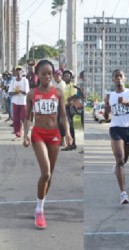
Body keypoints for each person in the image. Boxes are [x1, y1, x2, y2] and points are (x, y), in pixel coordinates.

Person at [23, 59, 72, 229]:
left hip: (54, 135)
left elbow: (64, 116)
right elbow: (28, 117)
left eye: (49, 74)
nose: (47, 77)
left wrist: (68, 134)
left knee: (50, 175)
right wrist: (26, 134)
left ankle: (40, 203)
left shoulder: (58, 92)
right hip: (38, 134)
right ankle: (39, 210)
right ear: (37, 75)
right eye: (43, 74)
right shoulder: (32, 94)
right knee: (45, 172)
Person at [104, 69, 129, 205]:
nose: (118, 78)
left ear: (124, 78)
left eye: (120, 76)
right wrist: (107, 111)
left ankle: (117, 167)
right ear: (113, 79)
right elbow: (106, 115)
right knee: (120, 160)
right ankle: (123, 193)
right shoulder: (109, 96)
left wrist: (128, 104)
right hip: (115, 129)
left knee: (123, 160)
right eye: (116, 76)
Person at [8, 65, 30, 141]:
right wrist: (15, 92)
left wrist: (20, 91)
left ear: (21, 71)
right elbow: (10, 92)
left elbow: (26, 92)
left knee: (23, 118)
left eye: (19, 70)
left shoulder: (25, 80)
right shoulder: (13, 81)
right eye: (17, 70)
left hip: (23, 102)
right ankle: (18, 134)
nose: (18, 72)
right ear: (15, 72)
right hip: (15, 102)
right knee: (16, 119)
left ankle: (26, 134)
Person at [61, 69, 77, 150]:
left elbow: (73, 98)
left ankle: (72, 144)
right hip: (63, 108)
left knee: (70, 127)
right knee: (65, 126)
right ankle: (70, 143)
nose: (66, 77)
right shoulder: (63, 86)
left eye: (68, 76)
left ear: (70, 77)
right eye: (65, 76)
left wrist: (65, 106)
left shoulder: (71, 85)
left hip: (68, 108)